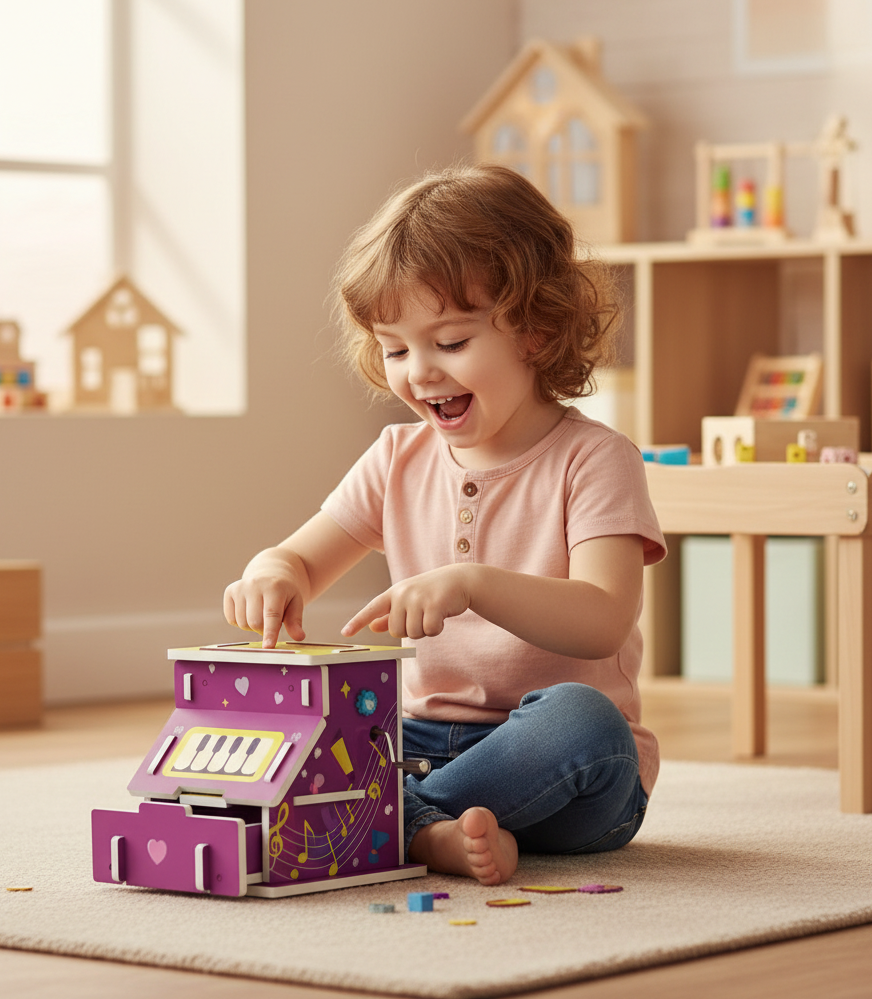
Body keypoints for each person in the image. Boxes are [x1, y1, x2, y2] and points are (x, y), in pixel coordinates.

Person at [224, 163, 666, 886]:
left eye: (451, 343)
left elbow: (603, 621)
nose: (419, 372)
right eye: (396, 349)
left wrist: (473, 584)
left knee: (584, 722)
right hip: (421, 740)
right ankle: (430, 825)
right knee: (303, 725)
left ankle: (397, 824)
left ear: (536, 329)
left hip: (562, 767)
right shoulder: (398, 456)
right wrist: (272, 572)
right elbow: (302, 560)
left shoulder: (596, 459)